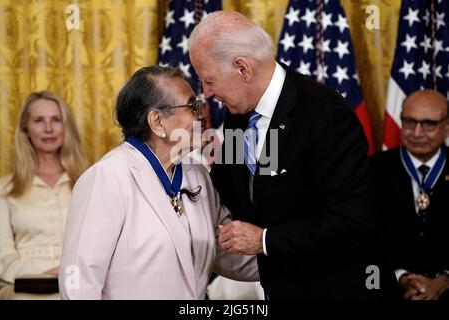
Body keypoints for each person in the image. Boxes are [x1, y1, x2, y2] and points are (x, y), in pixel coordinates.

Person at [188, 11, 371, 299]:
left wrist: (263, 239)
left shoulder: (325, 115)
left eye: (209, 81)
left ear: (242, 69)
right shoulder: (240, 114)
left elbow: (352, 223)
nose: (207, 93)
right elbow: (228, 192)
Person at [58, 65, 258, 300]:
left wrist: (293, 254)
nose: (202, 113)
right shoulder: (107, 177)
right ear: (157, 122)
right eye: (192, 105)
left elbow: (229, 252)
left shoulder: (198, 175)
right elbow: (78, 284)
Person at [0, 91, 87, 299]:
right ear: (25, 129)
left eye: (56, 120)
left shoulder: (88, 183)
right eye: (39, 120)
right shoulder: (4, 188)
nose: (48, 128)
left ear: (67, 127)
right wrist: (42, 277)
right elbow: (2, 257)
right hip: (23, 287)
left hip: (82, 282)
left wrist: (70, 274)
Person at [370, 89, 449, 300]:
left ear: (447, 126)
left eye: (428, 124)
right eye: (409, 122)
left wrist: (444, 281)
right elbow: (363, 240)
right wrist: (400, 277)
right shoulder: (372, 170)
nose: (416, 132)